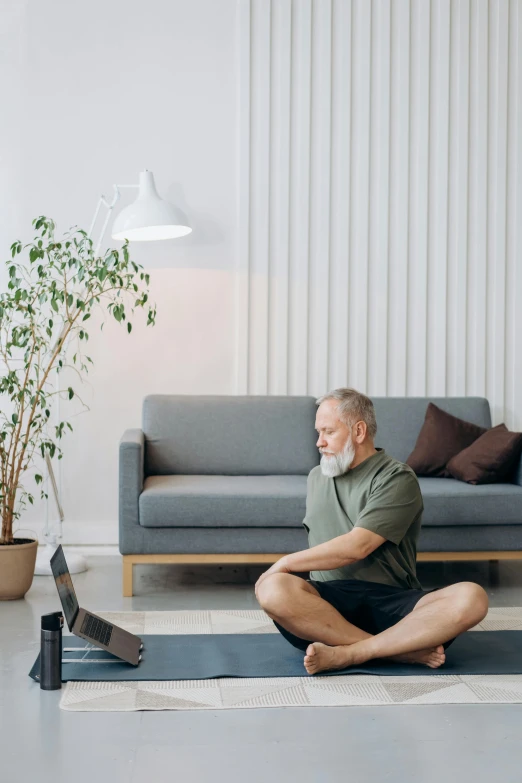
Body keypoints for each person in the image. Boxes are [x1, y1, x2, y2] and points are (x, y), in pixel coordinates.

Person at [255, 388, 489, 675]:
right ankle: (400, 652)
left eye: (328, 431)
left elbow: (358, 546)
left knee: (472, 596)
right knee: (273, 589)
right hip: (328, 608)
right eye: (318, 432)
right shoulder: (317, 477)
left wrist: (285, 562)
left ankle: (351, 654)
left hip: (393, 604)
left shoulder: (397, 477)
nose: (319, 442)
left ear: (359, 431)